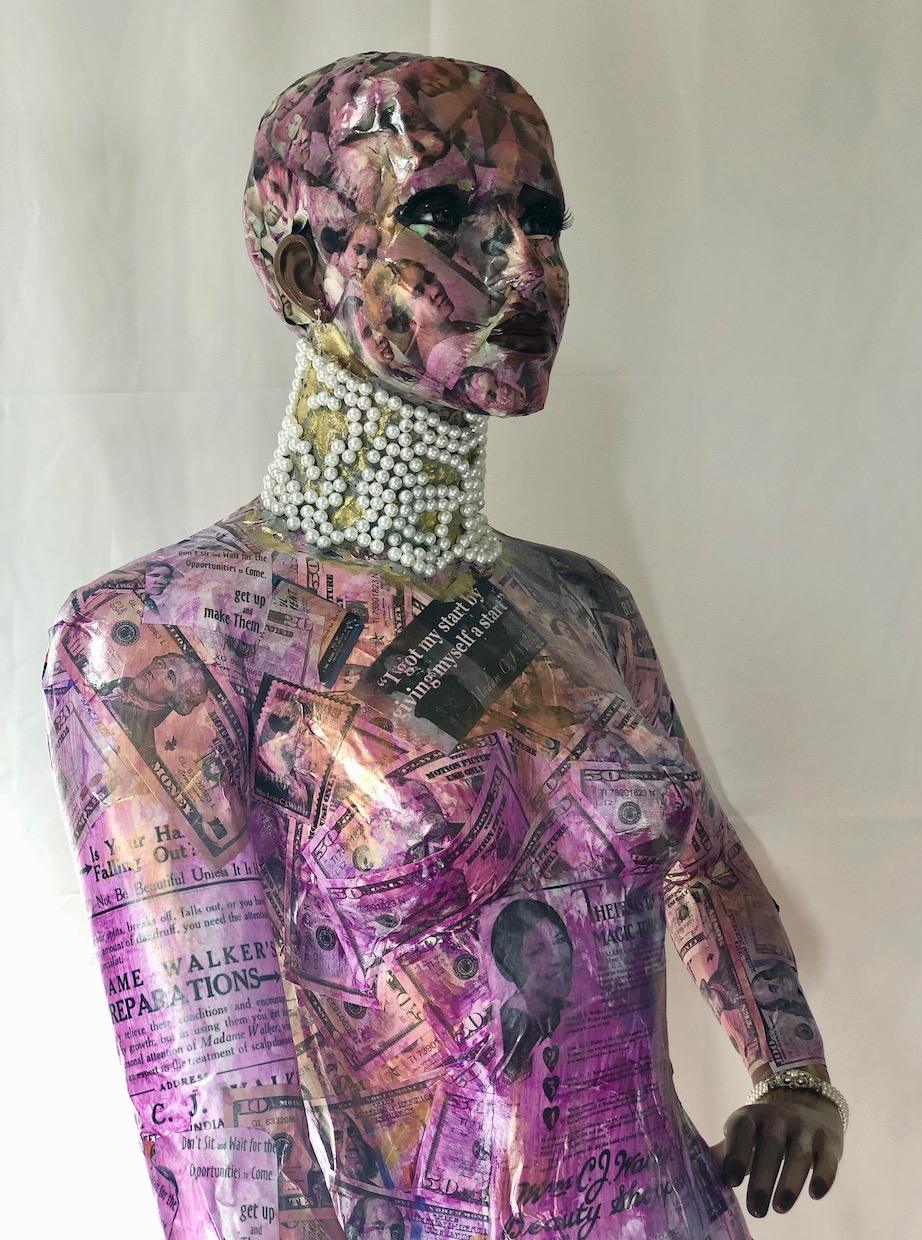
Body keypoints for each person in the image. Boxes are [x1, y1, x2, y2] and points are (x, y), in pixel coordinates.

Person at [44, 52, 847, 1240]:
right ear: (307, 266)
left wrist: (794, 1068)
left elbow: (705, 860)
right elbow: (220, 1120)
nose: (529, 269)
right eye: (443, 215)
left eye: (543, 219)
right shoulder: (165, 638)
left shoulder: (585, 607)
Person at [490, 898, 574, 1081]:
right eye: (537, 951)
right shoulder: (504, 1037)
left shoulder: (569, 1013)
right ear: (513, 966)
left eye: (559, 940)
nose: (557, 958)